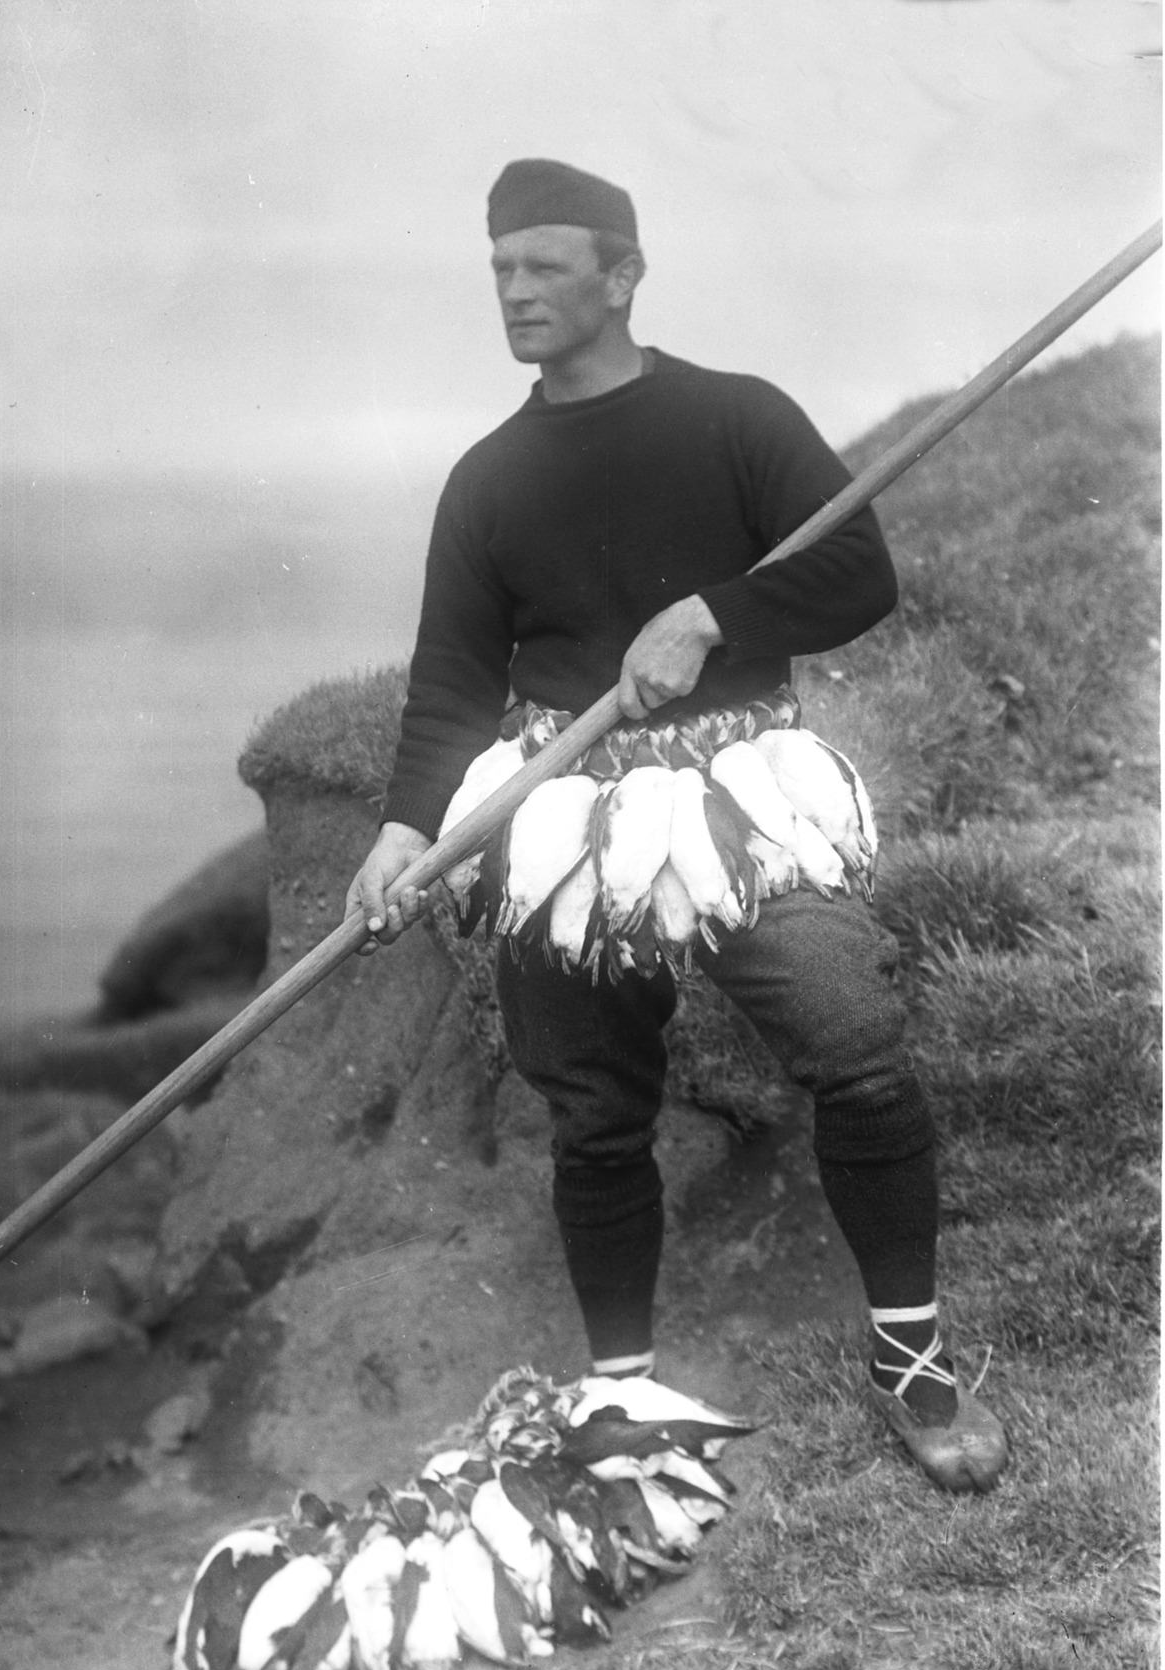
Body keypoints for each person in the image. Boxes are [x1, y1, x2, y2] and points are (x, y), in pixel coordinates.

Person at [344, 158, 1008, 1494]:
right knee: (592, 1113)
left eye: (544, 268)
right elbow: (453, 683)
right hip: (559, 814)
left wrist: (715, 617)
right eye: (501, 273)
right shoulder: (488, 480)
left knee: (857, 1048)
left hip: (740, 786)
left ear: (623, 278)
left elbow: (856, 571)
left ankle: (912, 1362)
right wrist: (409, 830)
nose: (516, 293)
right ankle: (621, 1397)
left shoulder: (736, 420)